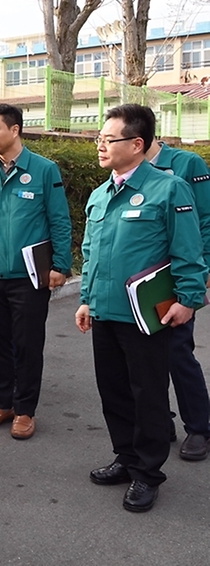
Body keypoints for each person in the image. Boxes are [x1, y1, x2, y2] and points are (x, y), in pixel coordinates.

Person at [76, 103, 207, 513]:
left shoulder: (168, 188)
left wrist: (188, 299)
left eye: (107, 139)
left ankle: (148, 473)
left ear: (136, 143)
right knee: (113, 391)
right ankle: (126, 458)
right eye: (98, 138)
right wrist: (86, 299)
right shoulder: (101, 193)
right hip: (105, 312)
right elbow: (91, 251)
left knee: (147, 394)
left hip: (147, 316)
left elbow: (187, 250)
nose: (99, 145)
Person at [0, 104, 72, 440]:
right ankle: (2, 404)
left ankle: (25, 410)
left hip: (29, 278)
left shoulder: (44, 170)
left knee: (27, 345)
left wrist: (60, 266)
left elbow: (59, 220)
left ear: (15, 130)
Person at [145, 136, 210, 460]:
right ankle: (160, 423)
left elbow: (205, 220)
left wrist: (202, 271)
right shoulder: (128, 168)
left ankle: (199, 427)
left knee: (177, 352)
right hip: (141, 282)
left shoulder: (187, 164)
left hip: (177, 275)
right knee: (145, 358)